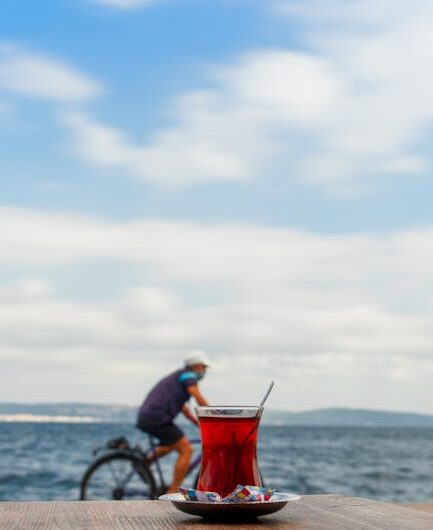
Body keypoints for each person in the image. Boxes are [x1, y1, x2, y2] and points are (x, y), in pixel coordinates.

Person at [136, 351, 211, 494]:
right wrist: (214, 418)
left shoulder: (178, 379)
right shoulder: (188, 376)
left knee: (172, 444)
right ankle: (171, 493)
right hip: (157, 417)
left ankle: (144, 463)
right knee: (186, 449)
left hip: (148, 417)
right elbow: (197, 396)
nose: (205, 371)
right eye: (204, 367)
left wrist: (201, 425)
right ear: (195, 366)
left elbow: (185, 411)